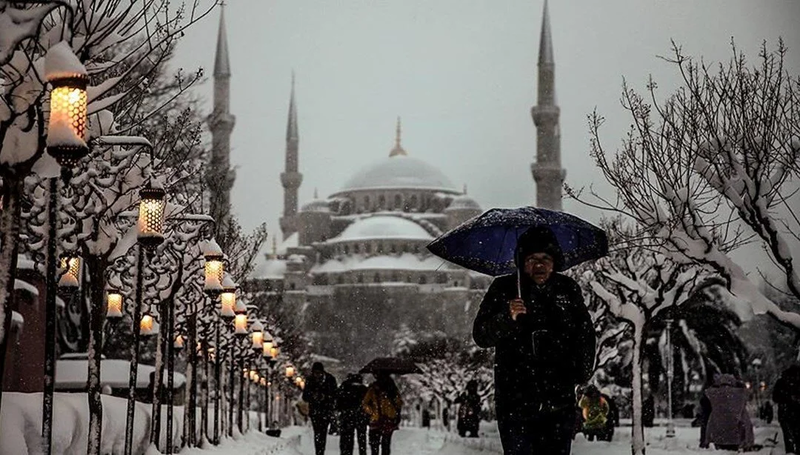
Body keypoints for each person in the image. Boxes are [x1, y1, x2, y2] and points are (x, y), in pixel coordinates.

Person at [472, 226, 596, 455]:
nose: (539, 265)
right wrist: (506, 317)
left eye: (545, 258)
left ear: (554, 261)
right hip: (515, 400)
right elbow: (480, 334)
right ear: (522, 261)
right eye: (532, 259)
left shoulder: (567, 290)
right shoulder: (504, 288)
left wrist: (580, 372)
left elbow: (585, 334)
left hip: (558, 400)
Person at [703, 373, 754, 451]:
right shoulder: (740, 395)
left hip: (718, 436)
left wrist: (707, 439)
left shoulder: (714, 394)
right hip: (736, 436)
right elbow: (749, 393)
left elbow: (707, 391)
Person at [302, 362, 338, 455]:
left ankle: (321, 451)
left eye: (319, 373)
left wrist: (325, 397)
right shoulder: (310, 380)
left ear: (322, 372)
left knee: (322, 432)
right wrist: (313, 396)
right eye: (315, 373)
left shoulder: (330, 379)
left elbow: (335, 395)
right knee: (317, 432)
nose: (317, 375)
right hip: (315, 411)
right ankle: (319, 451)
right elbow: (305, 396)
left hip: (326, 410)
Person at [362, 372, 403, 455]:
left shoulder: (373, 388)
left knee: (374, 445)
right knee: (386, 445)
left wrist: (372, 411)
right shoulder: (393, 389)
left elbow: (365, 403)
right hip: (389, 420)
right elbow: (399, 403)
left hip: (375, 420)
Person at [337, 373, 369, 455]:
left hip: (347, 417)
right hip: (361, 416)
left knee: (347, 439)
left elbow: (338, 402)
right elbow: (368, 404)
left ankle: (346, 452)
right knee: (362, 438)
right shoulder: (364, 389)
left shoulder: (344, 387)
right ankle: (362, 452)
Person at [773, 365, 800, 454]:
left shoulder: (781, 382)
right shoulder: (798, 381)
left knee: (787, 434)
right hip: (797, 412)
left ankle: (790, 451)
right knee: (798, 434)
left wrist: (784, 399)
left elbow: (775, 397)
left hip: (785, 412)